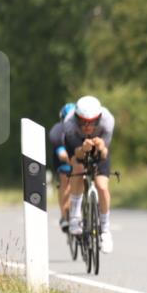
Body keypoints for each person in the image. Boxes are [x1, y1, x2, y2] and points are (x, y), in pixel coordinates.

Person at [63, 96, 116, 253]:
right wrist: (83, 148)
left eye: (92, 122)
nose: (87, 126)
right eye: (83, 121)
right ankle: (75, 216)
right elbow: (75, 155)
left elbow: (104, 154)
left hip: (99, 149)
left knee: (101, 186)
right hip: (78, 148)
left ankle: (105, 230)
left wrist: (100, 147)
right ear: (76, 118)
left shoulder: (108, 121)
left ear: (98, 118)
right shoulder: (69, 123)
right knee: (78, 169)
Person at [49, 102, 76, 232]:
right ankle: (65, 215)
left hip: (77, 155)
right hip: (65, 158)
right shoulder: (59, 130)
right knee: (66, 181)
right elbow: (61, 154)